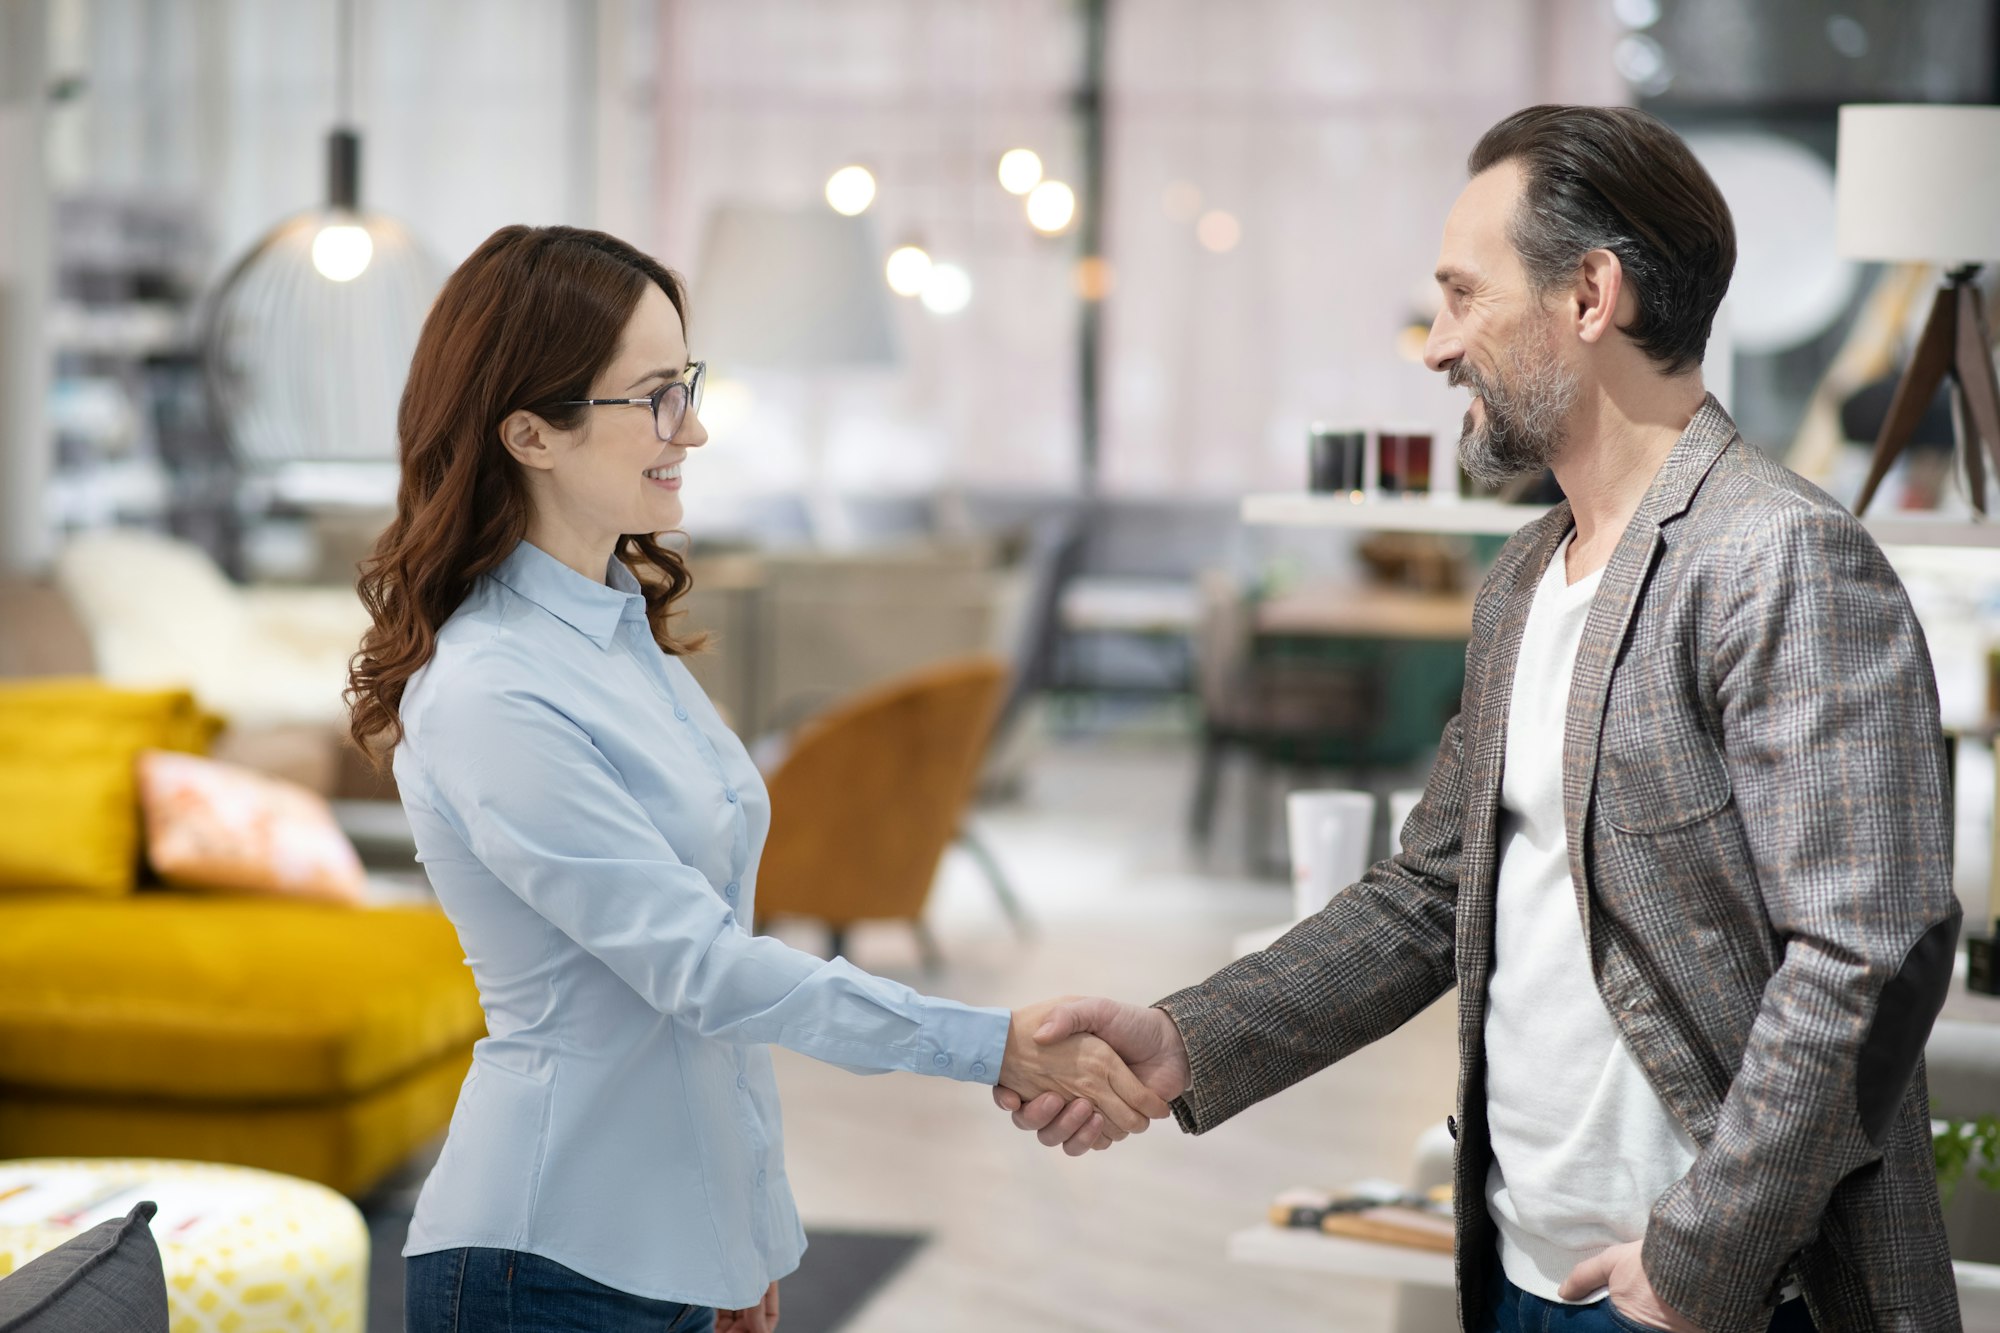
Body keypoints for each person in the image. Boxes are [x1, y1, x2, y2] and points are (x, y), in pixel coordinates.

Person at [998, 105, 1962, 1333]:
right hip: (1515, 1265)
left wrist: (1697, 1259)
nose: (1436, 345)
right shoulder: (1522, 576)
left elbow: (1868, 954)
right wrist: (1187, 1036)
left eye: (1462, 295)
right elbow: (1429, 891)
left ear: (1589, 295)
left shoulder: (1776, 555)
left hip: (1715, 1293)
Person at [345, 224, 1170, 1333]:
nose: (690, 428)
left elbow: (701, 1004)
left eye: (682, 385)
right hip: (542, 1263)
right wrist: (991, 1041)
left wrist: (738, 1235)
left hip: (675, 1253)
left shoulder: (620, 627)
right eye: (653, 398)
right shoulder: (491, 689)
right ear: (530, 433)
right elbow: (701, 970)